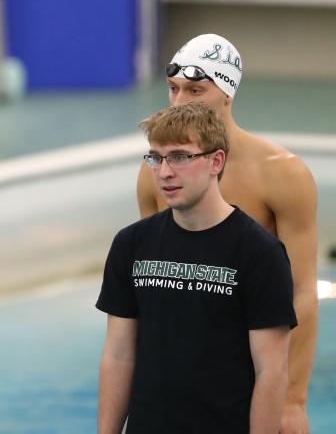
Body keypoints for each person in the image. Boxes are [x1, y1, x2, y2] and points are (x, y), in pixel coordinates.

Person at [136, 33, 318, 433]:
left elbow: (302, 292)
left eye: (196, 90)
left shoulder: (282, 174)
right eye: (173, 88)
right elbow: (148, 291)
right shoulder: (156, 176)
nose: (180, 101)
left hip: (252, 373)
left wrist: (293, 400)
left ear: (227, 95)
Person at [99, 102, 296, 433]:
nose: (164, 172)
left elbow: (272, 372)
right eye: (155, 158)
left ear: (215, 161)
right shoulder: (131, 245)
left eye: (179, 157)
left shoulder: (260, 254)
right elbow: (119, 355)